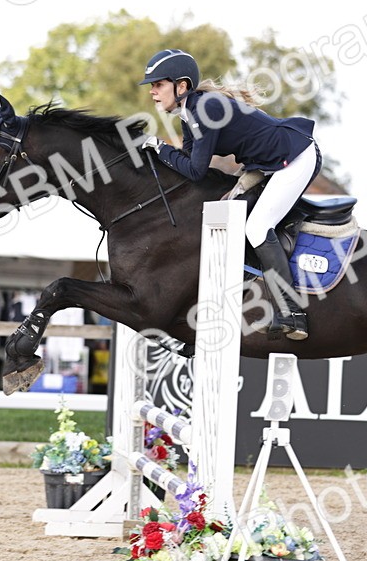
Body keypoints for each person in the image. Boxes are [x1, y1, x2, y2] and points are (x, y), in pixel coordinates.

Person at [136, 48, 319, 341]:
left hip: (295, 158)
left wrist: (160, 147)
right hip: (268, 164)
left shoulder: (204, 109)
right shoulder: (189, 114)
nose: (152, 92)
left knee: (257, 227)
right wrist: (161, 152)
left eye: (158, 85)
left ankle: (292, 312)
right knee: (228, 214)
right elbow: (188, 165)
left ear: (181, 86)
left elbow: (195, 170)